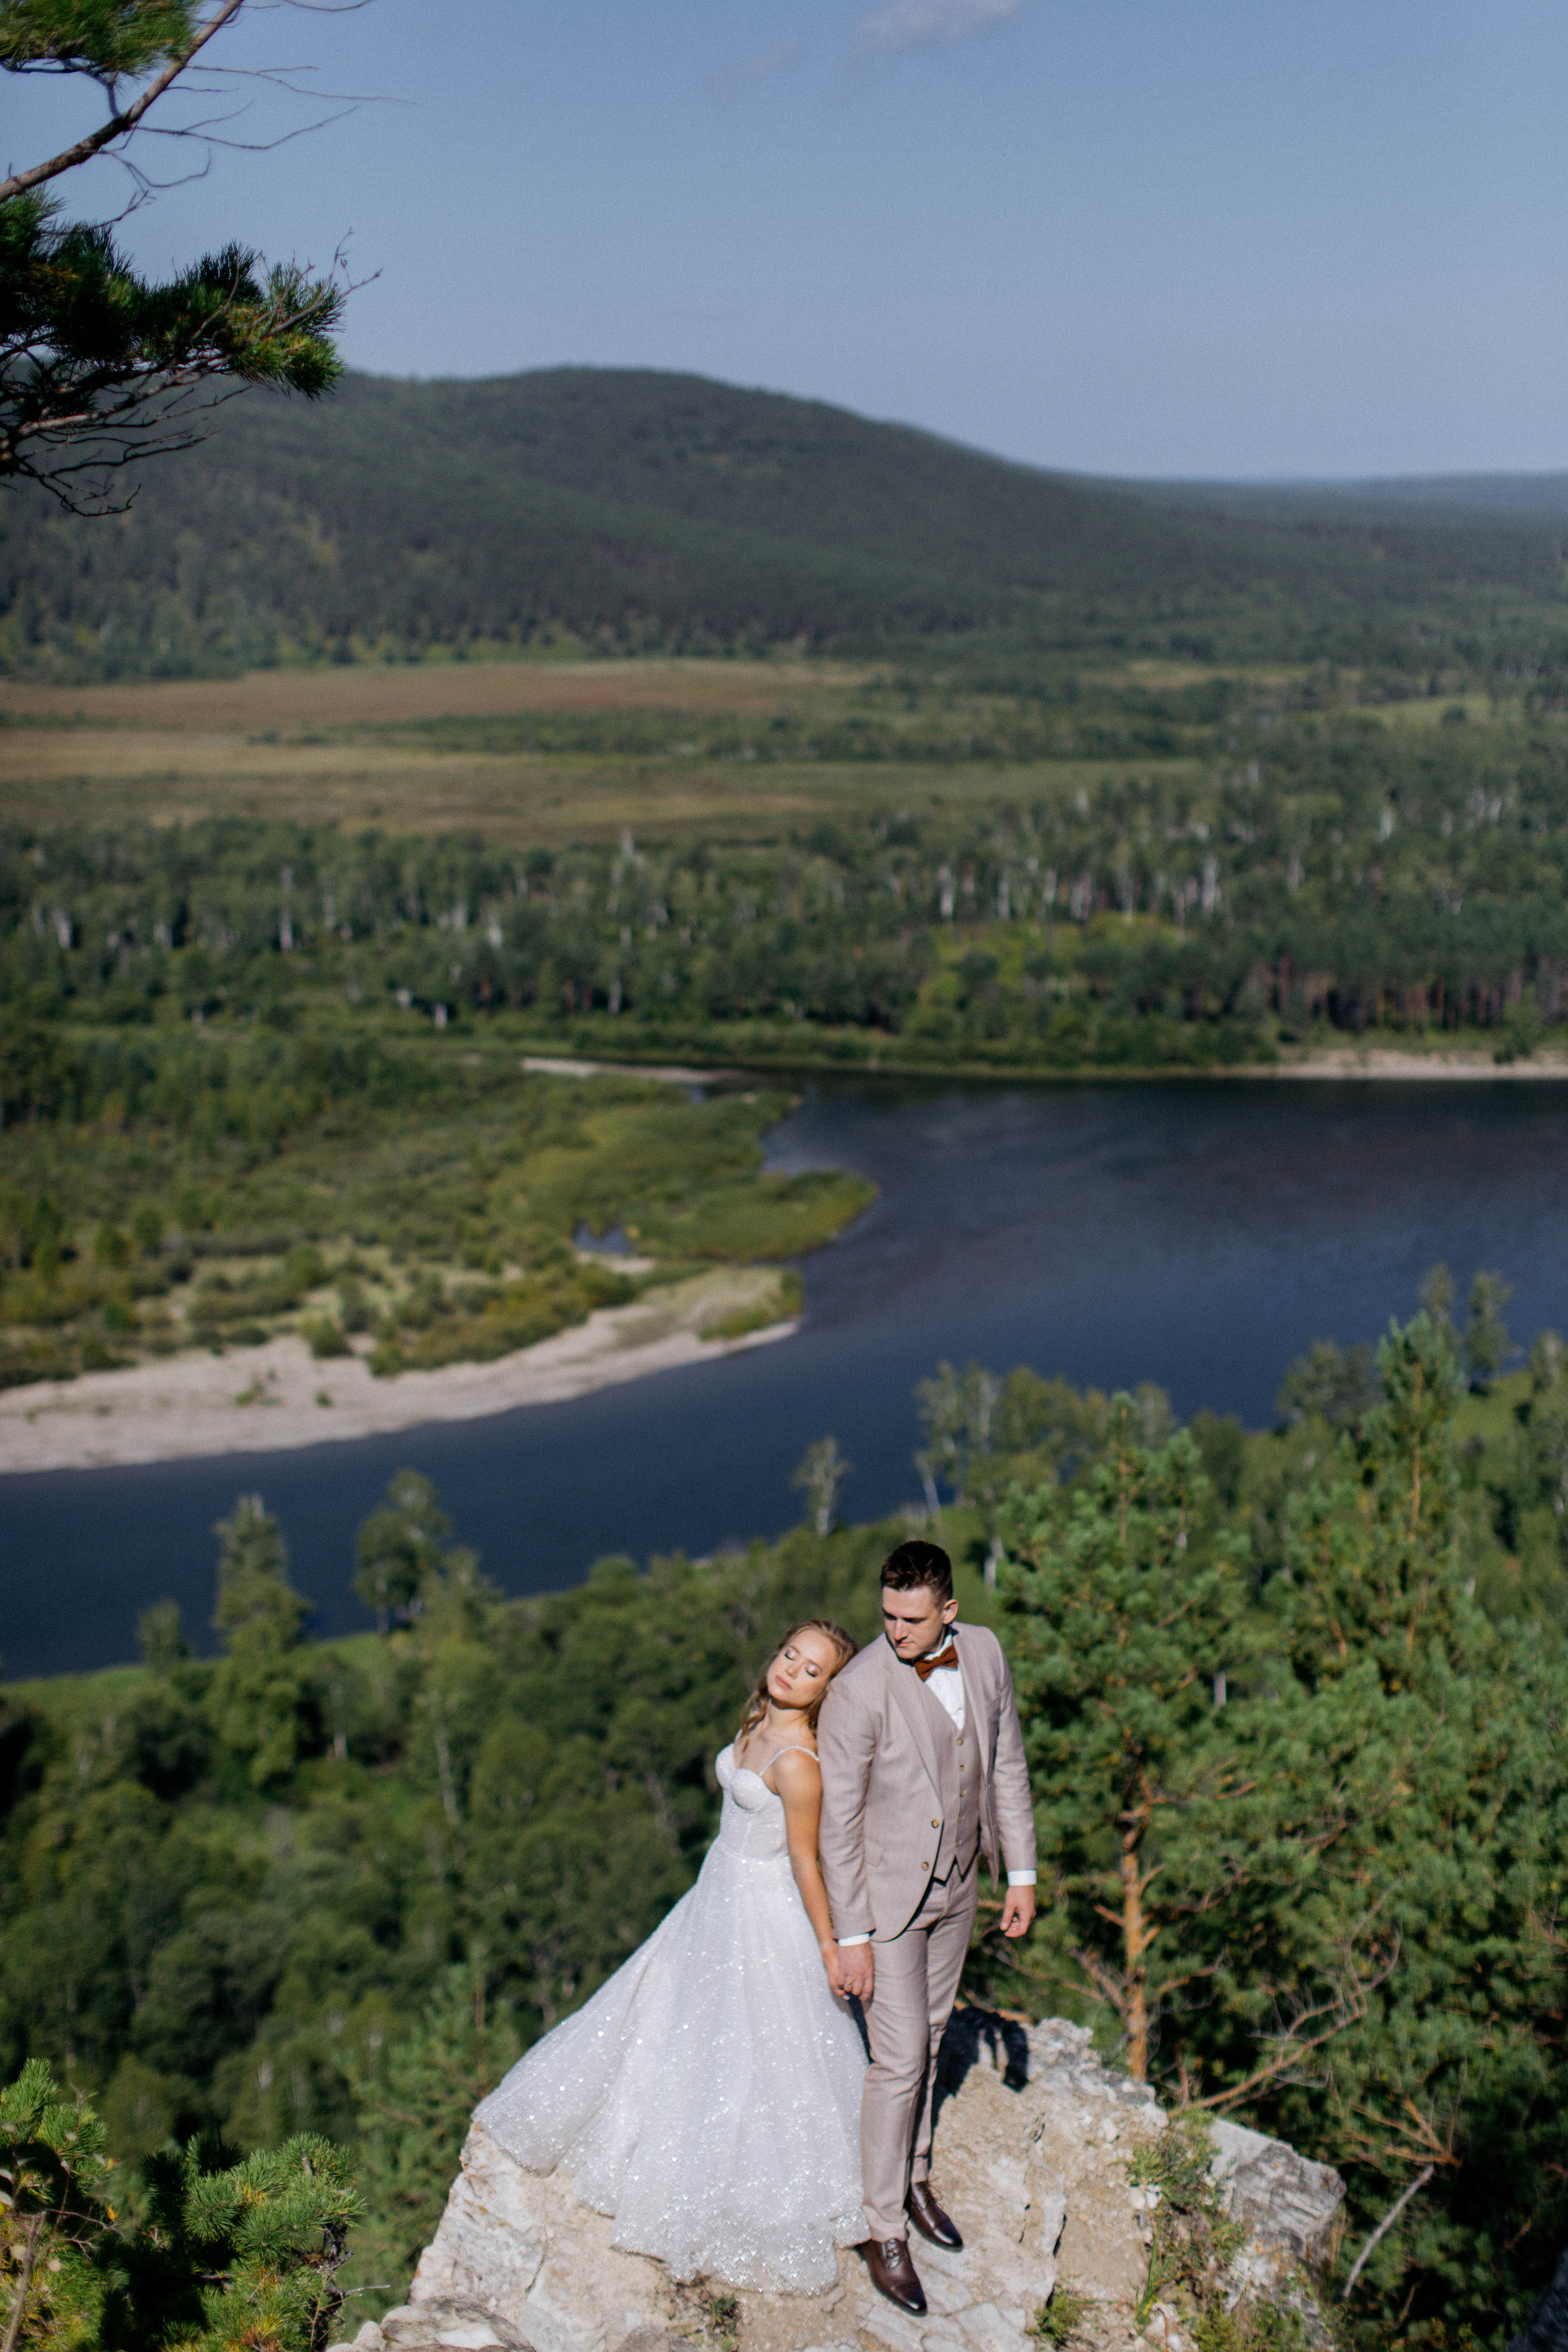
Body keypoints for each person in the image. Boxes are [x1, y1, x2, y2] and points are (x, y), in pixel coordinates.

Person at [474, 1619, 866, 2292]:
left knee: (754, 2042)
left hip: (761, 1906)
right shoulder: (755, 1723)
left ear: (828, 1690)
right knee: (678, 2014)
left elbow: (806, 1861)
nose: (791, 1670)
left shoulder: (799, 1763)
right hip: (716, 1889)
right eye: (790, 1654)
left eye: (812, 1670)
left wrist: (830, 1945)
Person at [817, 1539, 1037, 2316]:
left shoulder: (985, 1651)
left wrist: (1020, 1872)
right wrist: (852, 1936)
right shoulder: (857, 1691)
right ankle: (883, 2229)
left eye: (912, 1620)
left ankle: (913, 2177)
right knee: (900, 2059)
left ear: (949, 1610)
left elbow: (1005, 1763)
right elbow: (838, 1826)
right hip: (887, 1903)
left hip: (961, 1885)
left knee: (937, 2034)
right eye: (887, 1616)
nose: (896, 1631)